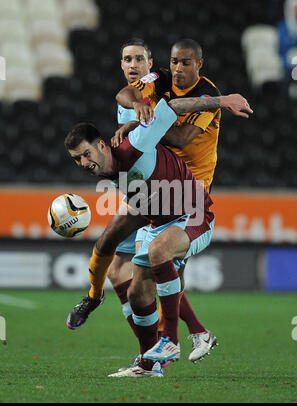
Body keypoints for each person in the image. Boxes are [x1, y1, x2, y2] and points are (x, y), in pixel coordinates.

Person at [64, 94, 252, 377]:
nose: (83, 162)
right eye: (77, 159)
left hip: (194, 214)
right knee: (137, 295)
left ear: (101, 145)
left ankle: (171, 341)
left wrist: (221, 101)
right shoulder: (108, 169)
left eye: (86, 154)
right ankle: (148, 365)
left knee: (158, 252)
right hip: (159, 222)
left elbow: (171, 108)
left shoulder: (137, 143)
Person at [107, 38, 220, 367]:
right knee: (128, 273)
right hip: (155, 185)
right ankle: (168, 344)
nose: (178, 69)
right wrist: (137, 115)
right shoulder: (158, 81)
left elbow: (182, 138)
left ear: (199, 64)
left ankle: (163, 348)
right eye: (174, 62)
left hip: (189, 188)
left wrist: (150, 123)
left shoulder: (206, 97)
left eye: (186, 63)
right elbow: (124, 94)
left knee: (158, 267)